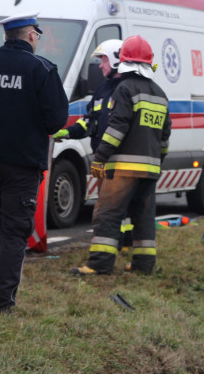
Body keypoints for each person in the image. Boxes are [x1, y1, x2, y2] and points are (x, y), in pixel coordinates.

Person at [0, 11, 69, 316]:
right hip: (21, 165)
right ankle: (0, 303)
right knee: (14, 231)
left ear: (6, 35)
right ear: (31, 35)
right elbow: (57, 120)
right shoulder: (42, 69)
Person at [71, 34, 170, 276]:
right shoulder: (159, 93)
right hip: (150, 169)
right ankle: (143, 266)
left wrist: (100, 157)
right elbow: (165, 136)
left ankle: (99, 265)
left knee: (108, 214)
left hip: (123, 168)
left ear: (123, 61)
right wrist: (158, 162)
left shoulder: (124, 89)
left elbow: (117, 128)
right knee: (143, 217)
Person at [52, 39, 135, 250]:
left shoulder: (126, 89)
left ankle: (114, 247)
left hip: (119, 161)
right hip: (104, 161)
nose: (100, 65)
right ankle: (119, 245)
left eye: (104, 60)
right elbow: (89, 121)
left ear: (116, 60)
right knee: (111, 208)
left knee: (111, 208)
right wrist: (66, 133)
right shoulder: (102, 90)